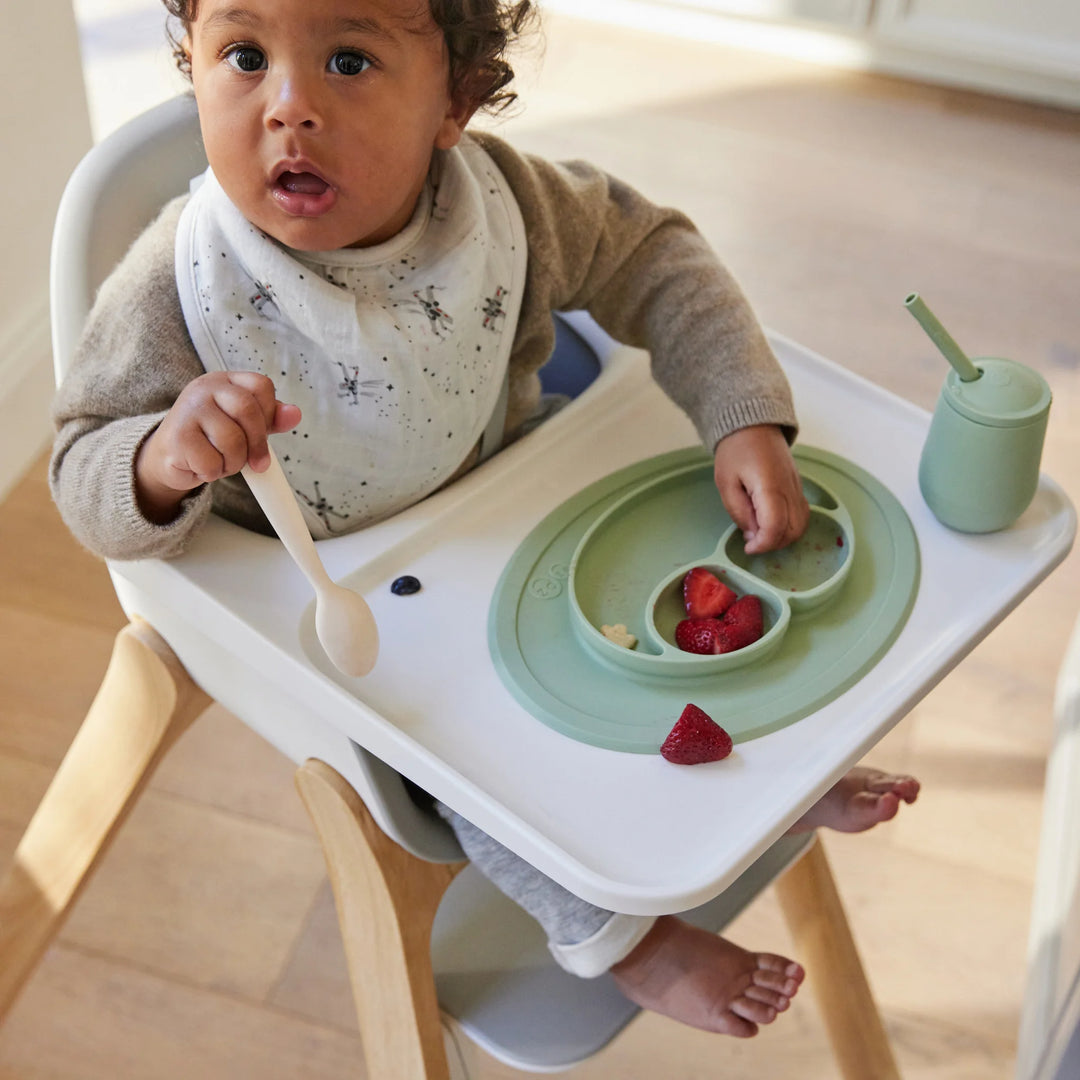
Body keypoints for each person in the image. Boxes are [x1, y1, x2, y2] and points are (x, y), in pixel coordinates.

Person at [50, 0, 919, 1037]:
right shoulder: (180, 281)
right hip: (349, 608)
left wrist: (738, 414)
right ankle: (622, 938)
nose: (289, 107)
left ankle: (767, 779)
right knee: (465, 755)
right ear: (189, 64)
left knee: (659, 611)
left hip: (517, 522)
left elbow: (656, 257)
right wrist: (159, 459)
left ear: (455, 103)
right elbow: (81, 468)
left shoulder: (506, 210)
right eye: (243, 56)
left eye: (348, 60)